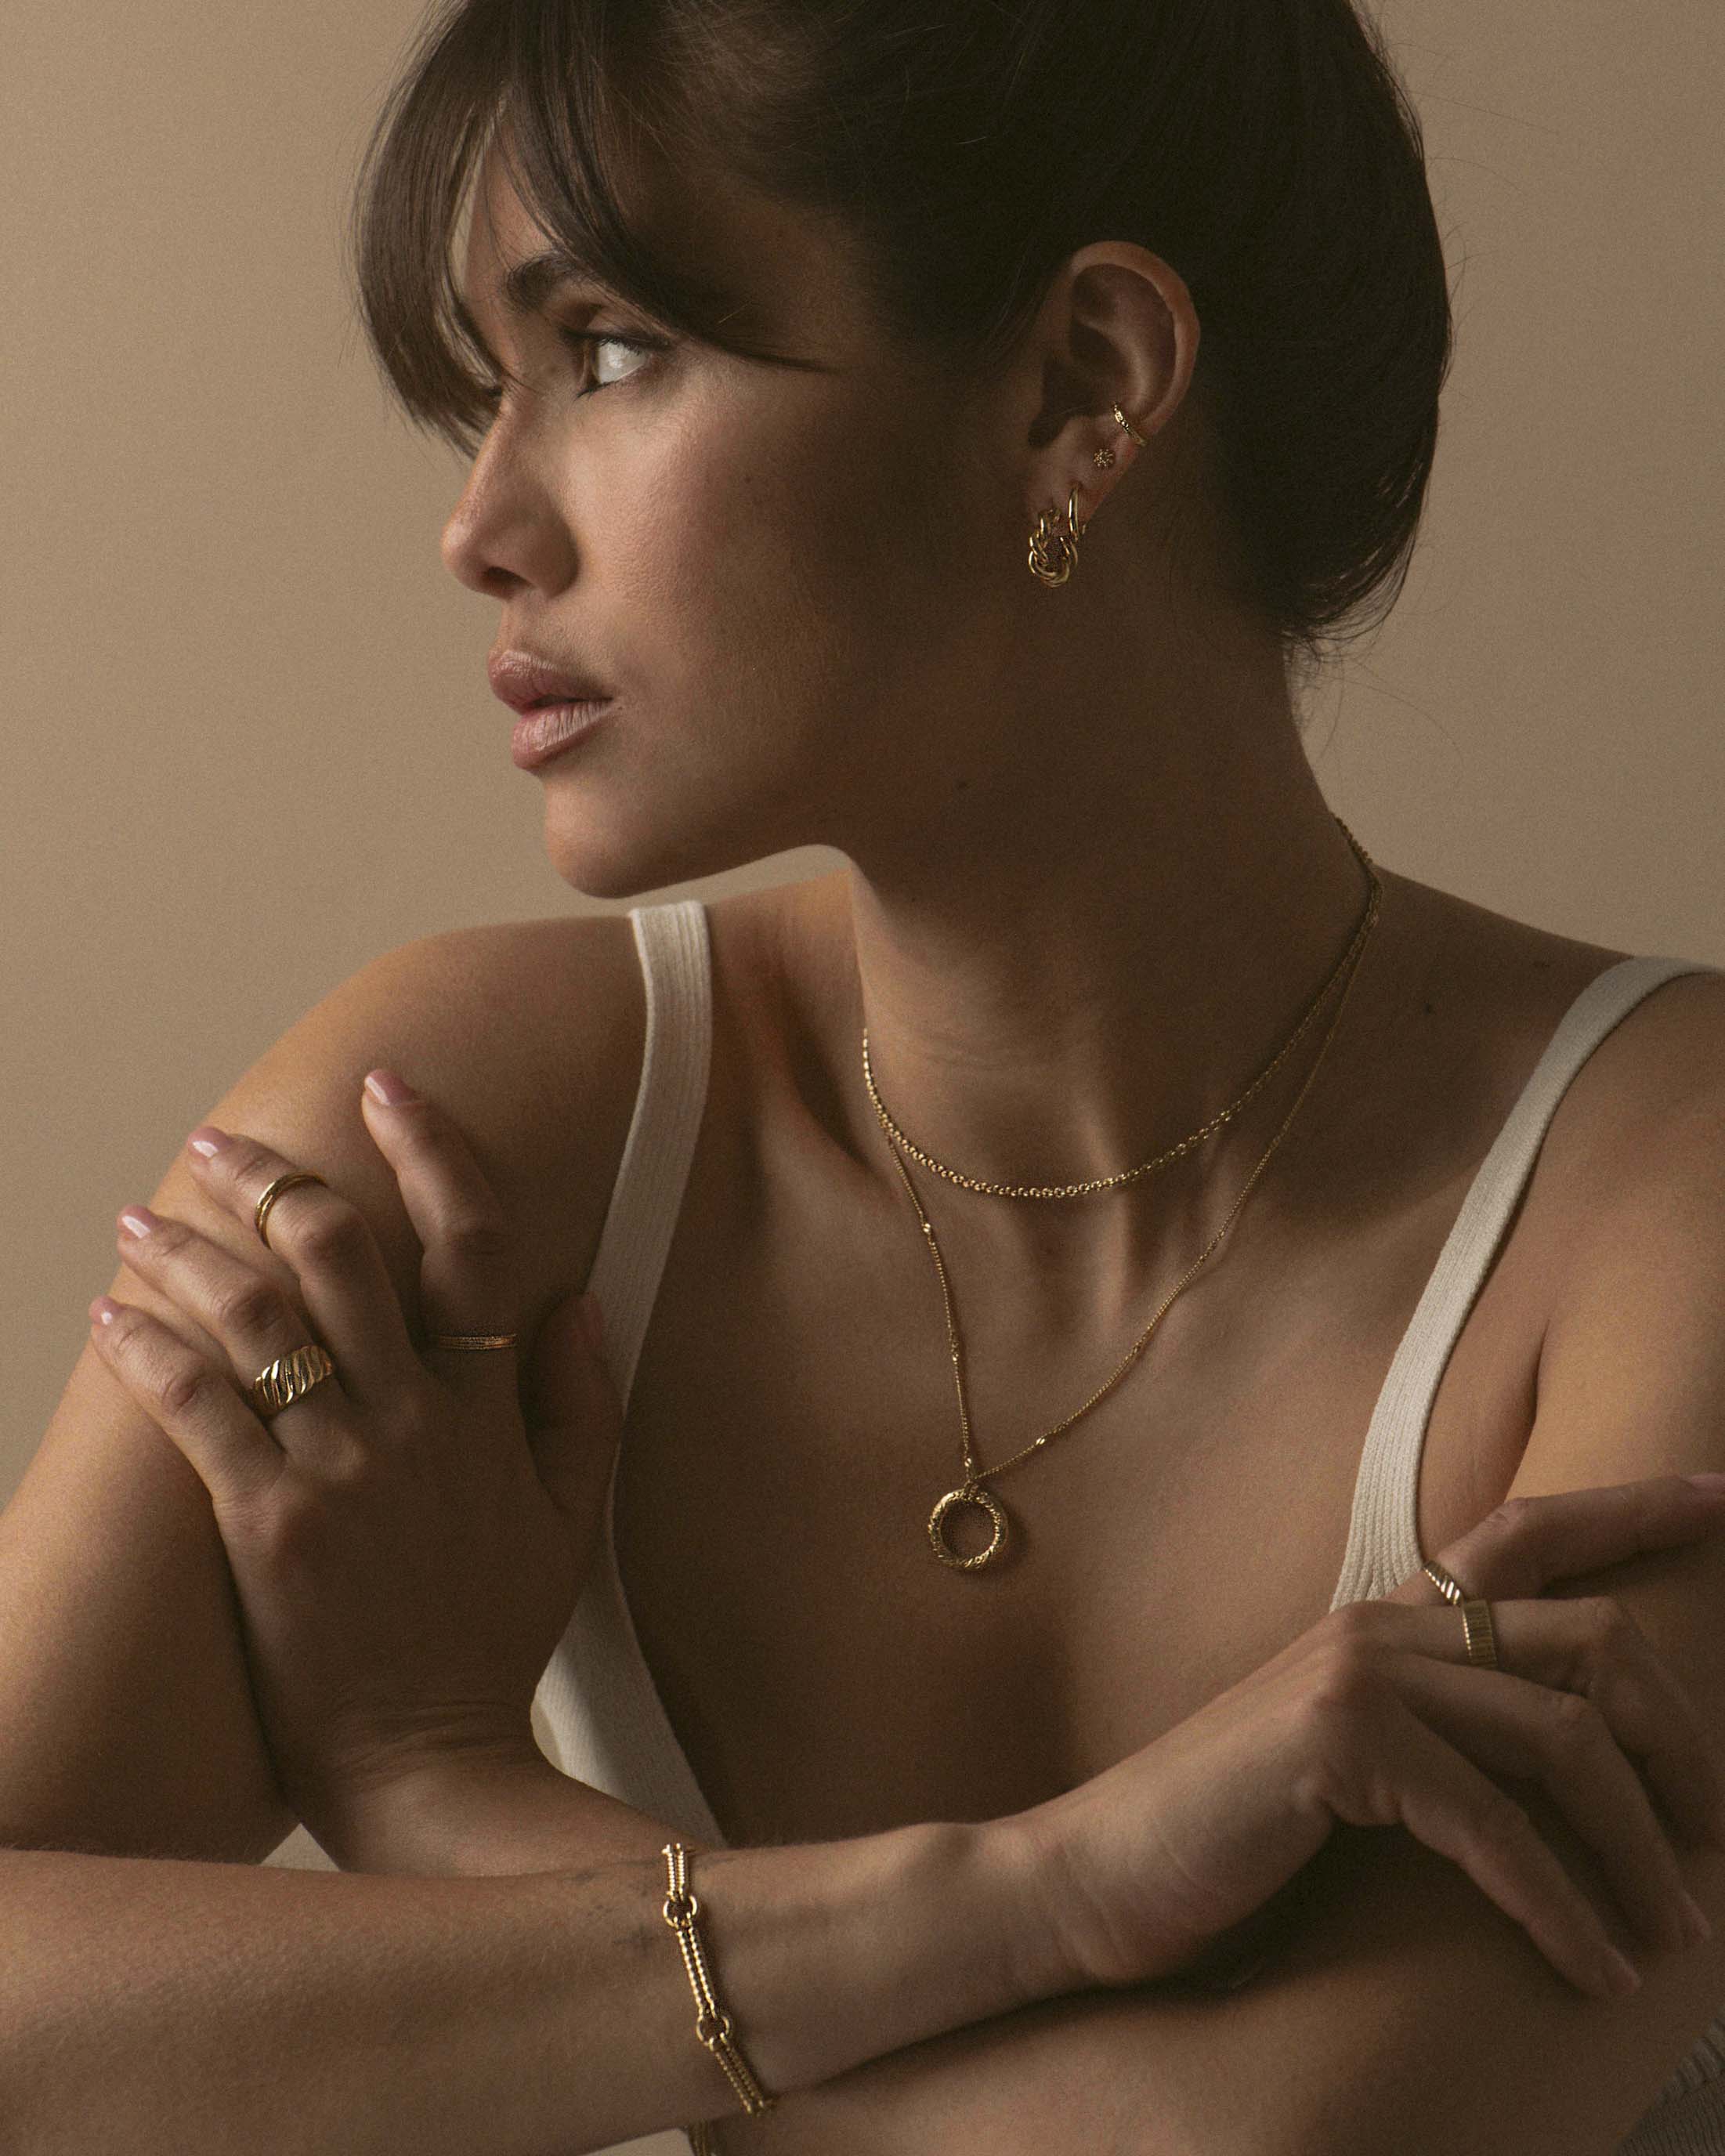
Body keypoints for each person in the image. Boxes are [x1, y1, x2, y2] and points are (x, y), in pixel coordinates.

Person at [3, 2, 1724, 2151]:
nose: (481, 526)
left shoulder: (1671, 1193)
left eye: (609, 349)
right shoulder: (470, 1131)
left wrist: (441, 1796)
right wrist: (1025, 1895)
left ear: (1081, 384)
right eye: (487, 385)